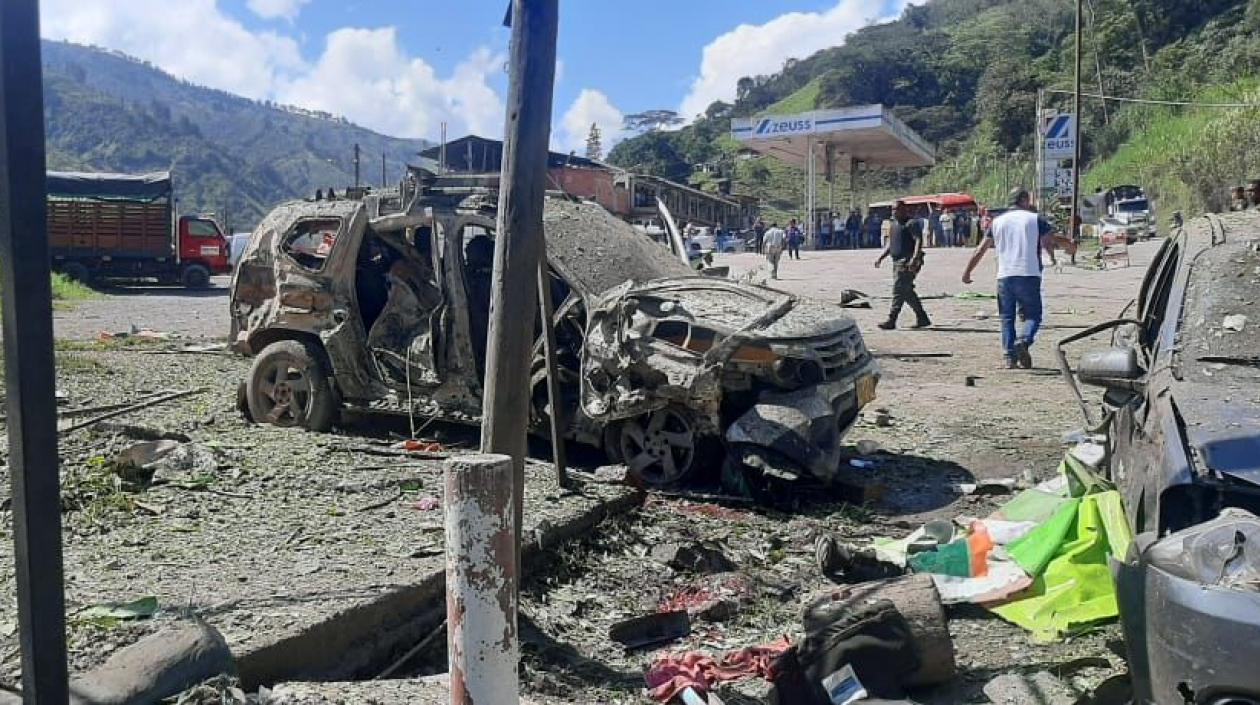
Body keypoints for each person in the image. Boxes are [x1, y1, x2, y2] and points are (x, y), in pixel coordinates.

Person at [961, 187, 1077, 369]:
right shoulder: (1034, 219)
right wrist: (1055, 255)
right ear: (1024, 200)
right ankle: (1024, 340)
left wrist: (967, 272)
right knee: (1033, 315)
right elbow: (1048, 241)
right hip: (1029, 274)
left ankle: (1009, 357)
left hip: (1004, 276)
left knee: (1007, 318)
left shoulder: (996, 222)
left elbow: (980, 249)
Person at [874, 201, 931, 330]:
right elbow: (891, 244)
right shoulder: (894, 225)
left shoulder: (911, 223)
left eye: (897, 209)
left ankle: (891, 319)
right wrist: (881, 258)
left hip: (906, 262)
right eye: (893, 209)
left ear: (904, 210)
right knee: (907, 291)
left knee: (898, 290)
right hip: (896, 261)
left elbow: (918, 240)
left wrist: (914, 258)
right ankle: (922, 318)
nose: (894, 212)